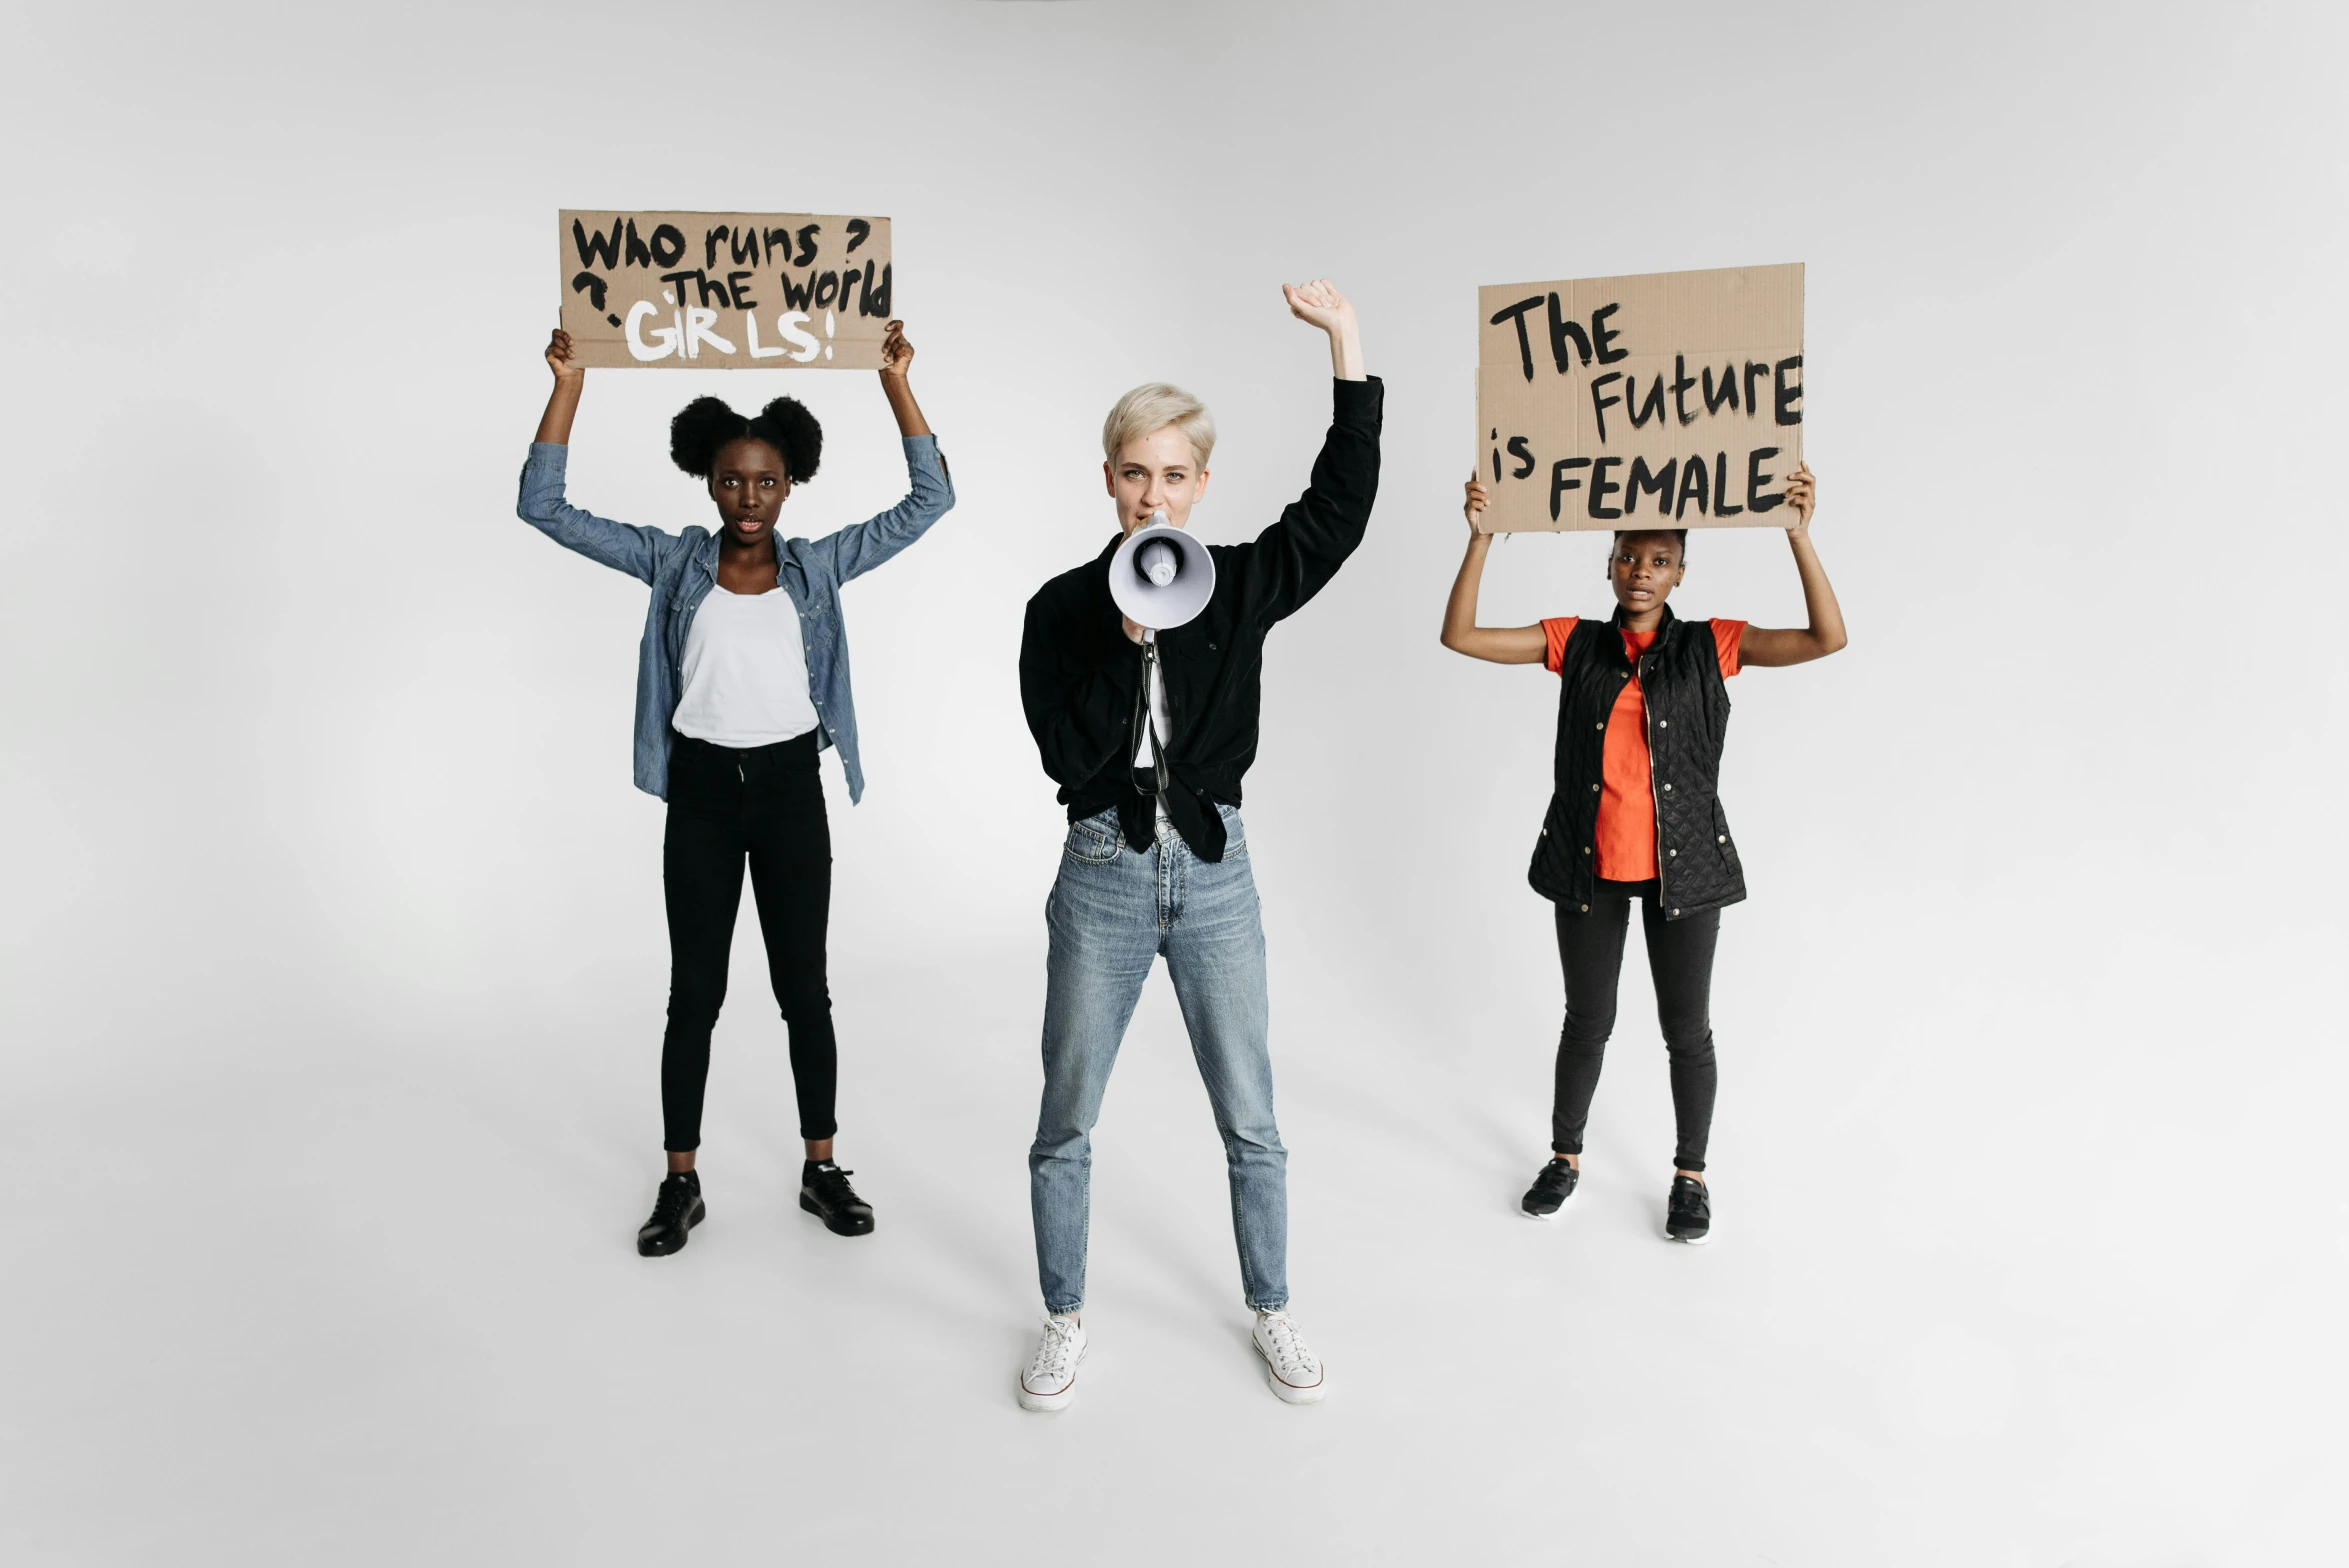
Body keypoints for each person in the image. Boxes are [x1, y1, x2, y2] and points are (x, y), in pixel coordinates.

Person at [1013, 280, 1380, 1410]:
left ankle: (1271, 1307)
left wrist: (1346, 345)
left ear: (1199, 486)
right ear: (1110, 477)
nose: (1154, 493)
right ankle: (1064, 1315)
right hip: (1104, 875)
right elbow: (1064, 755)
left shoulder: (1238, 586)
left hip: (1216, 875)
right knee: (1067, 1111)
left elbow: (1338, 514)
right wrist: (1124, 642)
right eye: (1136, 472)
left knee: (1252, 1113)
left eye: (1176, 475)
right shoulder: (1060, 608)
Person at [518, 321, 953, 1256]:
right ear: (704, 479)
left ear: (791, 479)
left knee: (806, 990)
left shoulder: (819, 566)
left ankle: (820, 1167)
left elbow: (930, 500)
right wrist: (568, 382)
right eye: (729, 479)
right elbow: (543, 508)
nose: (747, 497)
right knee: (695, 994)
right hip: (705, 795)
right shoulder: (672, 562)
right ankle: (681, 1181)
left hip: (792, 786)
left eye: (765, 480)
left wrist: (896, 381)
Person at [1438, 463, 1845, 1243]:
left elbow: (1828, 638)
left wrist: (1798, 534)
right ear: (1608, 560)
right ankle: (1564, 1158)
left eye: (1659, 560)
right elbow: (1459, 636)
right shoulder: (1576, 643)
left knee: (1685, 1029)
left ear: (1681, 570)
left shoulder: (1711, 645)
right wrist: (1480, 539)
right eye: (1628, 555)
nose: (1640, 572)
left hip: (1683, 870)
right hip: (1587, 866)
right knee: (1586, 1020)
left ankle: (1689, 1177)